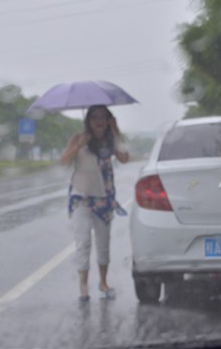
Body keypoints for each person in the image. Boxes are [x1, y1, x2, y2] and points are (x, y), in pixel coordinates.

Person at [60, 104, 130, 302]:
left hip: (104, 199)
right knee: (83, 242)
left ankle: (103, 282)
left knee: (103, 243)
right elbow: (64, 161)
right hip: (80, 198)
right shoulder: (78, 138)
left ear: (109, 120)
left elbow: (124, 158)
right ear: (88, 121)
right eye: (94, 117)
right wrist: (78, 145)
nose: (99, 121)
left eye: (103, 117)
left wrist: (115, 131)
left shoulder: (111, 140)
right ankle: (83, 286)